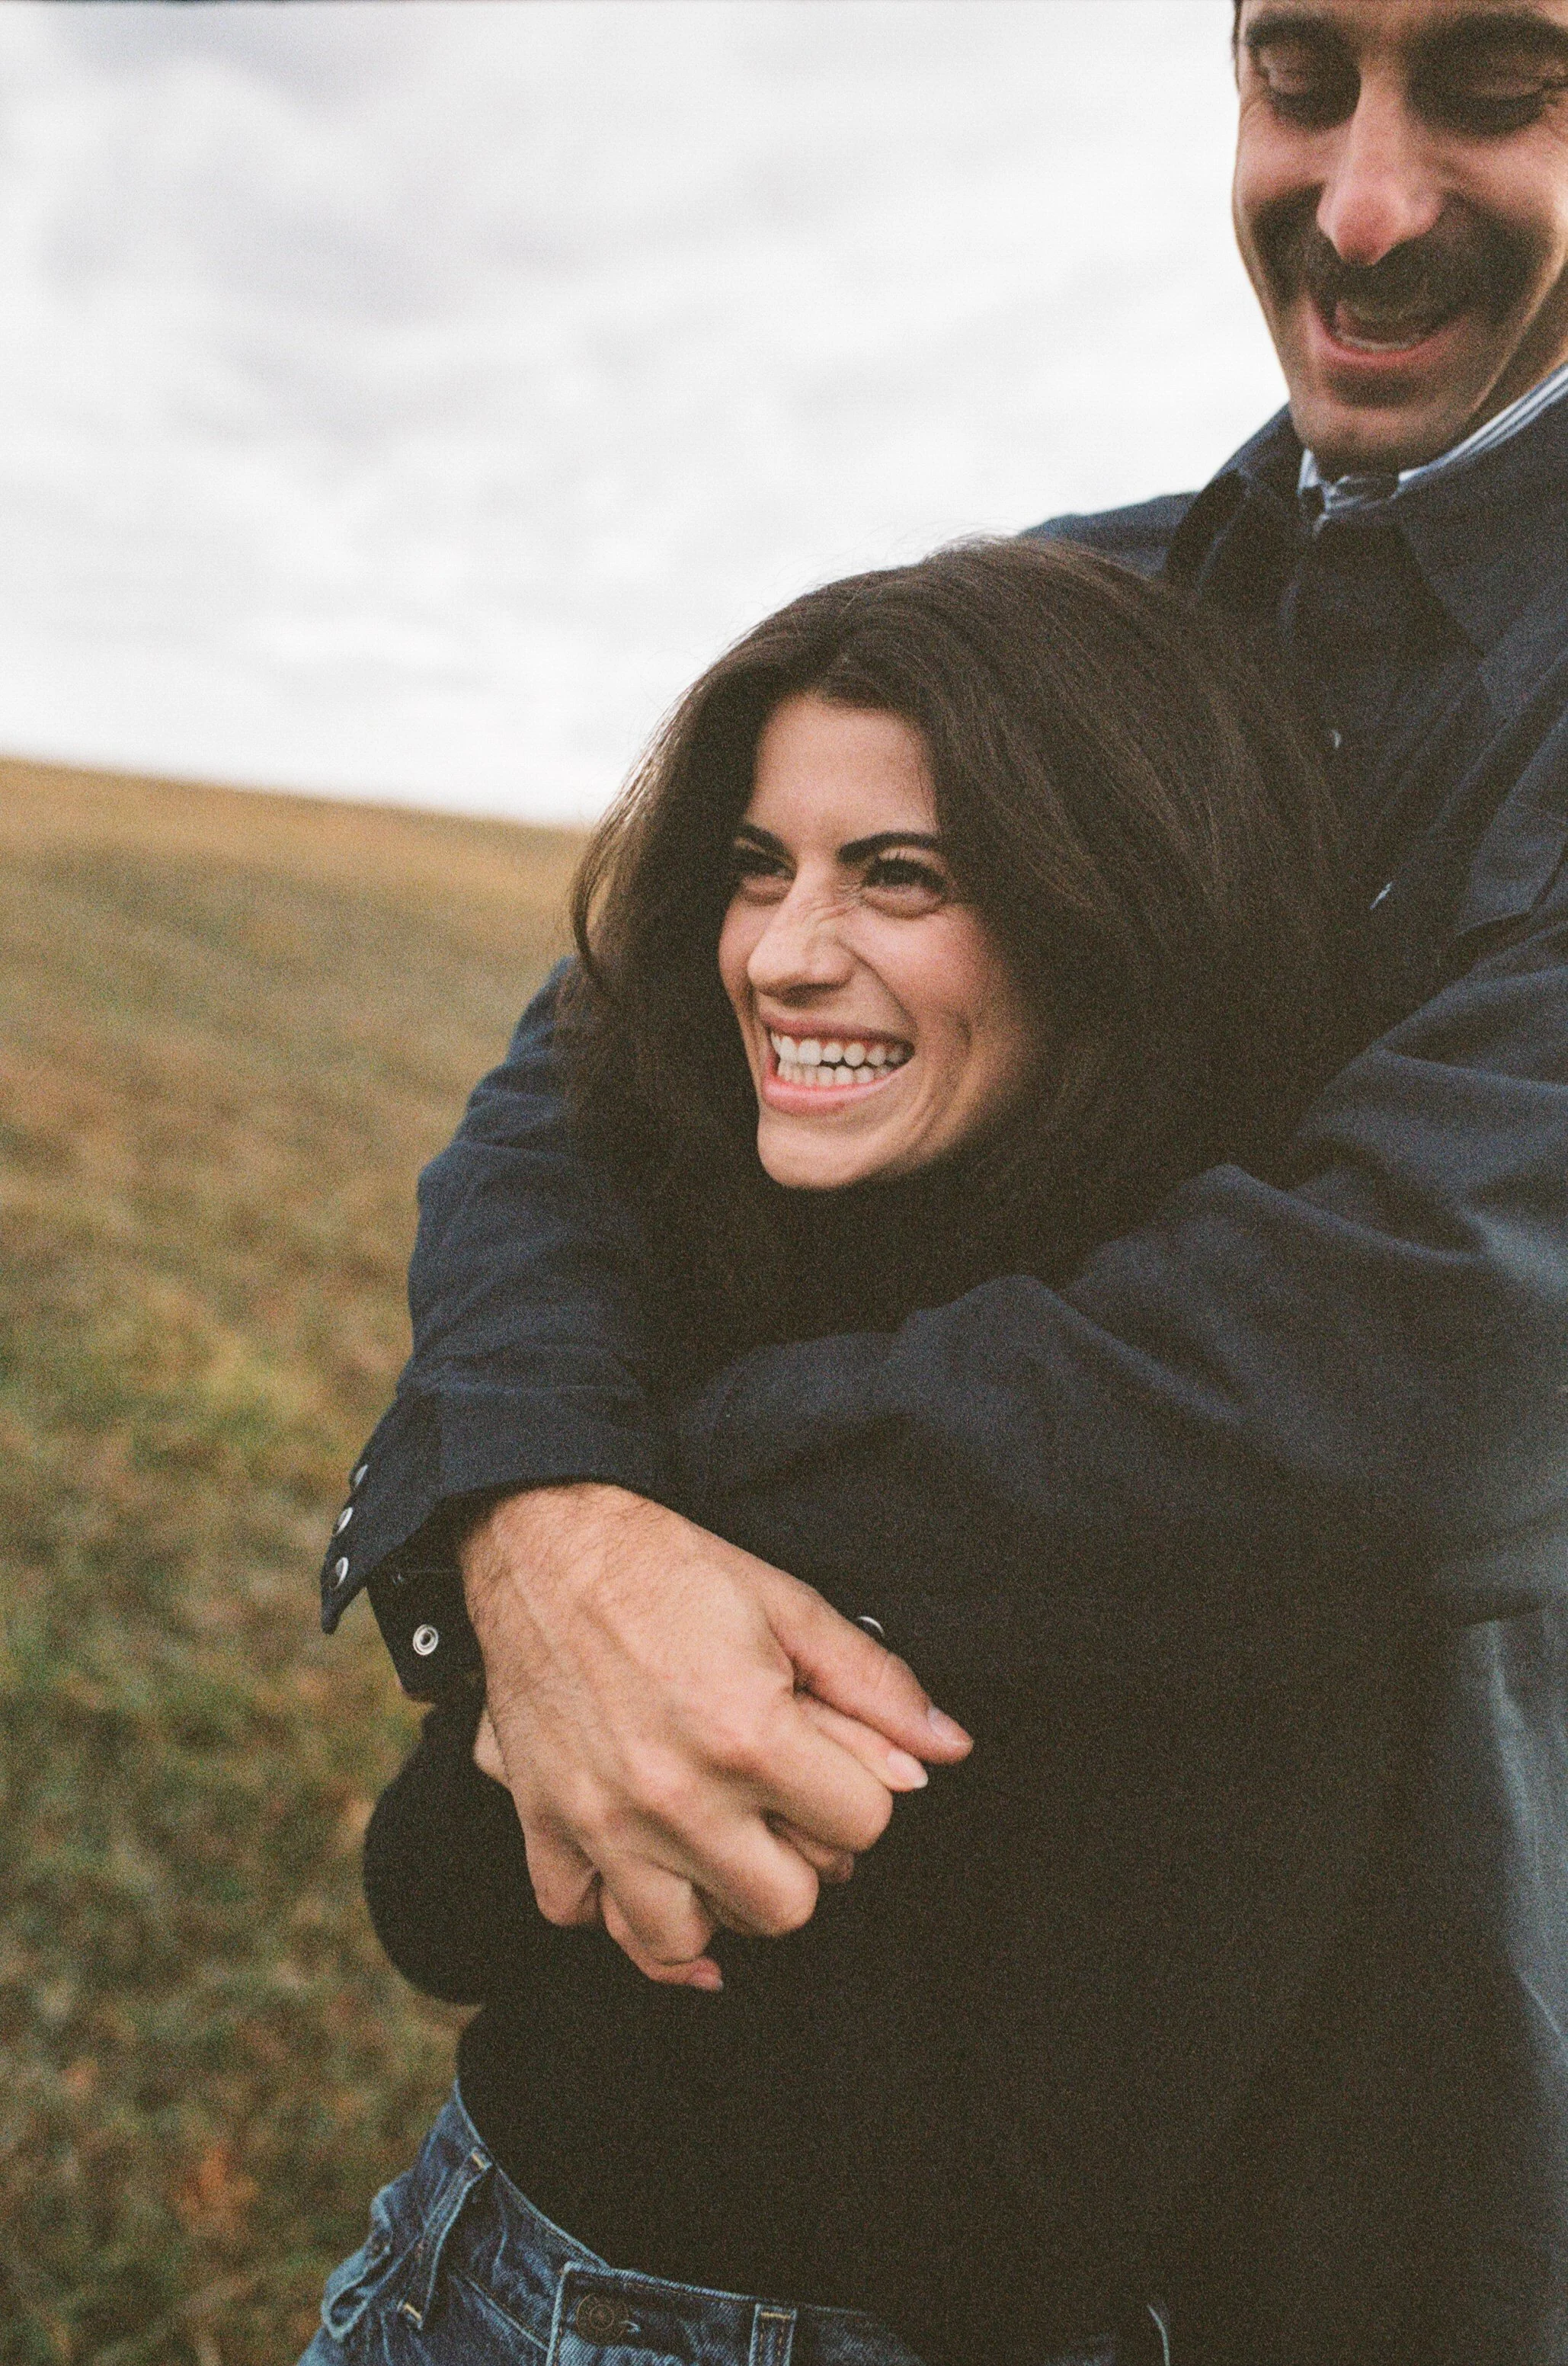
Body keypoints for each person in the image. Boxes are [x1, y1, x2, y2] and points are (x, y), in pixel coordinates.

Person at [322, 4, 1568, 2358]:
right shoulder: (1088, 601)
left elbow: (1435, 1359)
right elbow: (594, 1079)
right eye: (1301, 76)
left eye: (1501, 90)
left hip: (1329, 2160)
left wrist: (658, 1505)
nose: (1368, 201)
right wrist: (540, 1509)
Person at [306, 536, 1361, 2366]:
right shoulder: (723, 1264)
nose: (786, 958)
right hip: (475, 2256)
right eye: (754, 870)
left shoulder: (1183, 1430)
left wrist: (639, 1523)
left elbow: (447, 1894)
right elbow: (442, 1906)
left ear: (1111, 902)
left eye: (903, 877)